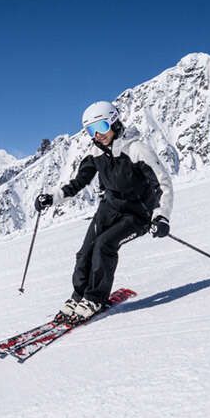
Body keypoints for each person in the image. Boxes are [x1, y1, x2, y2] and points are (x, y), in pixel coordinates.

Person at [34, 100, 174, 321]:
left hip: (137, 214)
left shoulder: (136, 149)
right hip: (108, 209)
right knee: (85, 252)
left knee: (104, 246)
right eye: (91, 130)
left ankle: (95, 298)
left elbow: (162, 184)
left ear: (114, 123)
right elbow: (76, 183)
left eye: (101, 127)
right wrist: (51, 198)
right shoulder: (95, 155)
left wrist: (162, 216)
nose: (97, 135)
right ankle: (79, 295)